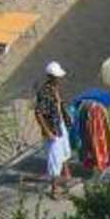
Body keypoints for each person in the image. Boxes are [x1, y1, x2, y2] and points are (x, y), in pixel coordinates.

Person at [32, 62, 70, 190]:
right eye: (57, 77)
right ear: (51, 77)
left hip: (59, 124)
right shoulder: (44, 92)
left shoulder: (55, 89)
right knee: (55, 157)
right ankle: (55, 188)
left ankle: (66, 175)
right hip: (52, 128)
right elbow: (38, 113)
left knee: (64, 151)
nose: (60, 79)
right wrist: (47, 131)